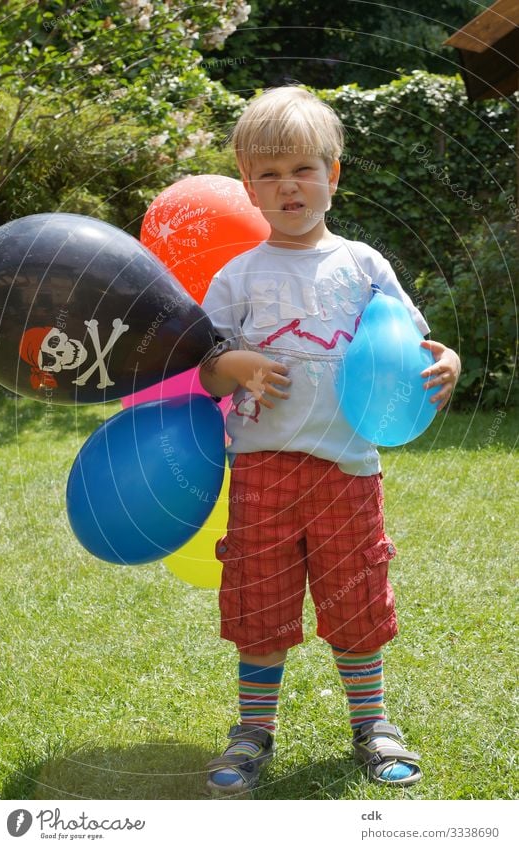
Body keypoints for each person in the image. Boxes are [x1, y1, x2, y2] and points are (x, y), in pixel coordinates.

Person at [199, 86, 461, 796]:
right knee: (260, 601)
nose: (288, 186)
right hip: (263, 468)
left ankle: (372, 724)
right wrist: (238, 365)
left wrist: (448, 361)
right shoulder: (239, 275)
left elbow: (410, 341)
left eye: (303, 170)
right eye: (270, 175)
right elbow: (201, 360)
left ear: (333, 174)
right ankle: (253, 730)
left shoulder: (364, 265)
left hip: (349, 468)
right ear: (249, 188)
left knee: (357, 599)